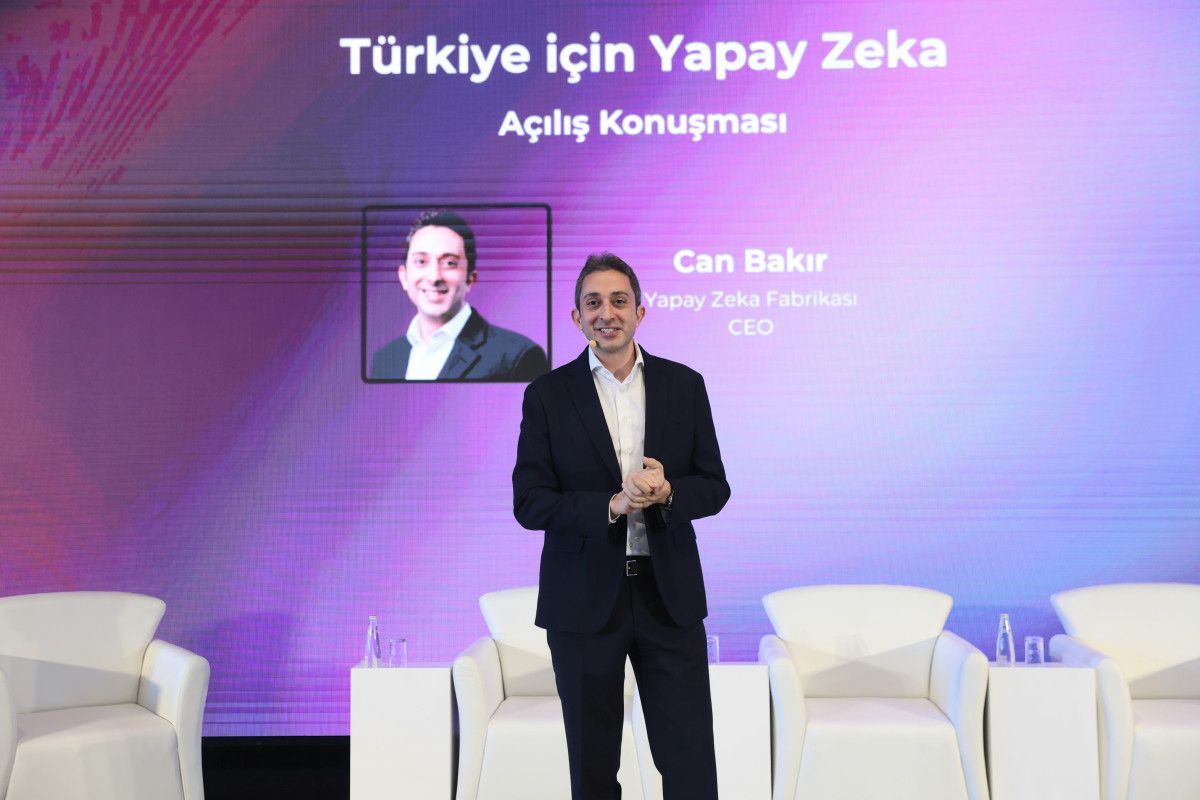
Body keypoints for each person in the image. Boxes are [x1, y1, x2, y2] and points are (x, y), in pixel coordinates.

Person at [513, 252, 730, 800]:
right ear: (576, 317)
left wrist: (669, 492)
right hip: (583, 603)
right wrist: (611, 504)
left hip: (668, 597)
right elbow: (530, 503)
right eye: (593, 303)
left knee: (690, 764)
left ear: (640, 311)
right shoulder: (547, 395)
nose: (606, 313)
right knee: (592, 768)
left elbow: (715, 486)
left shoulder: (685, 385)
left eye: (618, 301)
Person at [370, 210, 548, 381]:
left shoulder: (518, 357)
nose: (434, 277)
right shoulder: (384, 359)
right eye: (421, 261)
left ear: (470, 278)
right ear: (404, 277)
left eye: (450, 263)